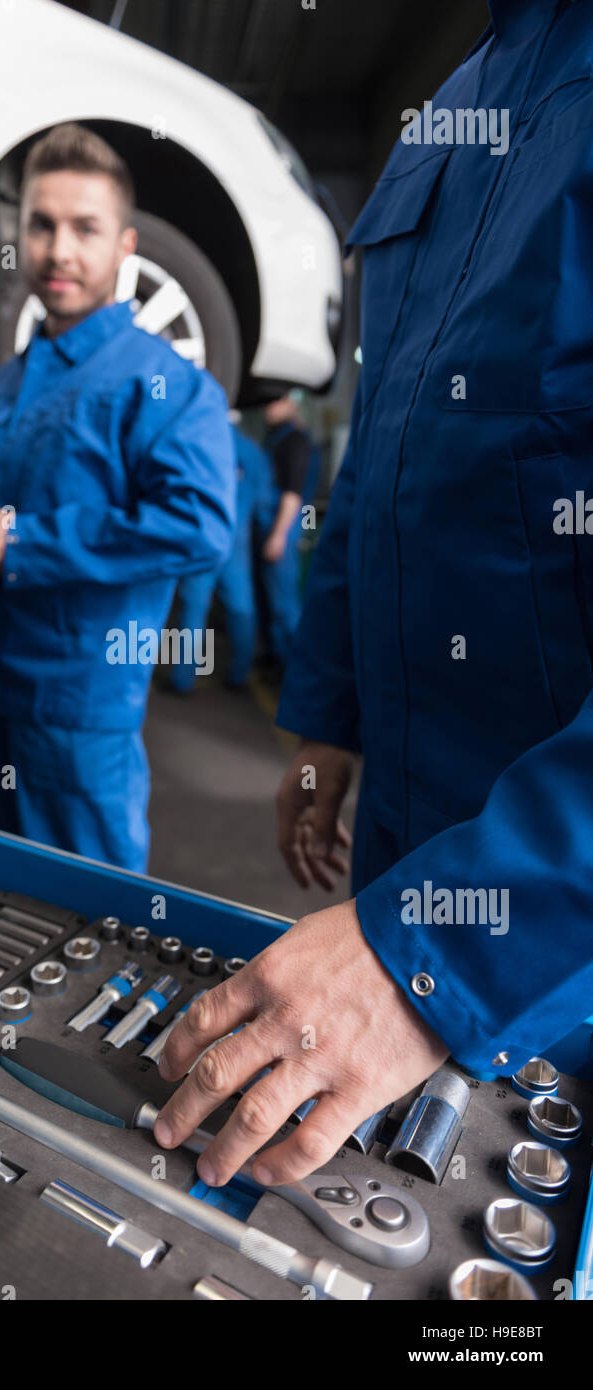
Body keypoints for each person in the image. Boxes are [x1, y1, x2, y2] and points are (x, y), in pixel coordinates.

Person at [153, 0, 593, 1192]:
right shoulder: (446, 120)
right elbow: (385, 469)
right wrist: (327, 719)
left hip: (557, 916)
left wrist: (440, 952)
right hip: (403, 838)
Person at [0, 123, 235, 873]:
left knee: (101, 926)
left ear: (124, 246)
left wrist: (21, 542)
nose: (59, 249)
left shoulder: (163, 382)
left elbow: (199, 526)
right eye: (41, 225)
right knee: (22, 911)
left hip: (79, 710)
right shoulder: (7, 379)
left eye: (84, 228)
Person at [169, 417, 271, 693]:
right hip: (236, 541)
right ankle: (239, 675)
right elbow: (263, 504)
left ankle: (182, 680)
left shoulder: (199, 441)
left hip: (202, 536)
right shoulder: (252, 452)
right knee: (242, 608)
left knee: (193, 608)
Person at [254, 394, 319, 674]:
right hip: (269, 525)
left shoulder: (295, 441)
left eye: (275, 400)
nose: (268, 406)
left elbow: (292, 494)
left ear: (292, 403)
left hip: (282, 526)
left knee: (284, 603)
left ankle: (296, 671)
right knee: (269, 599)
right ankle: (277, 658)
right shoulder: (276, 436)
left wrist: (278, 535)